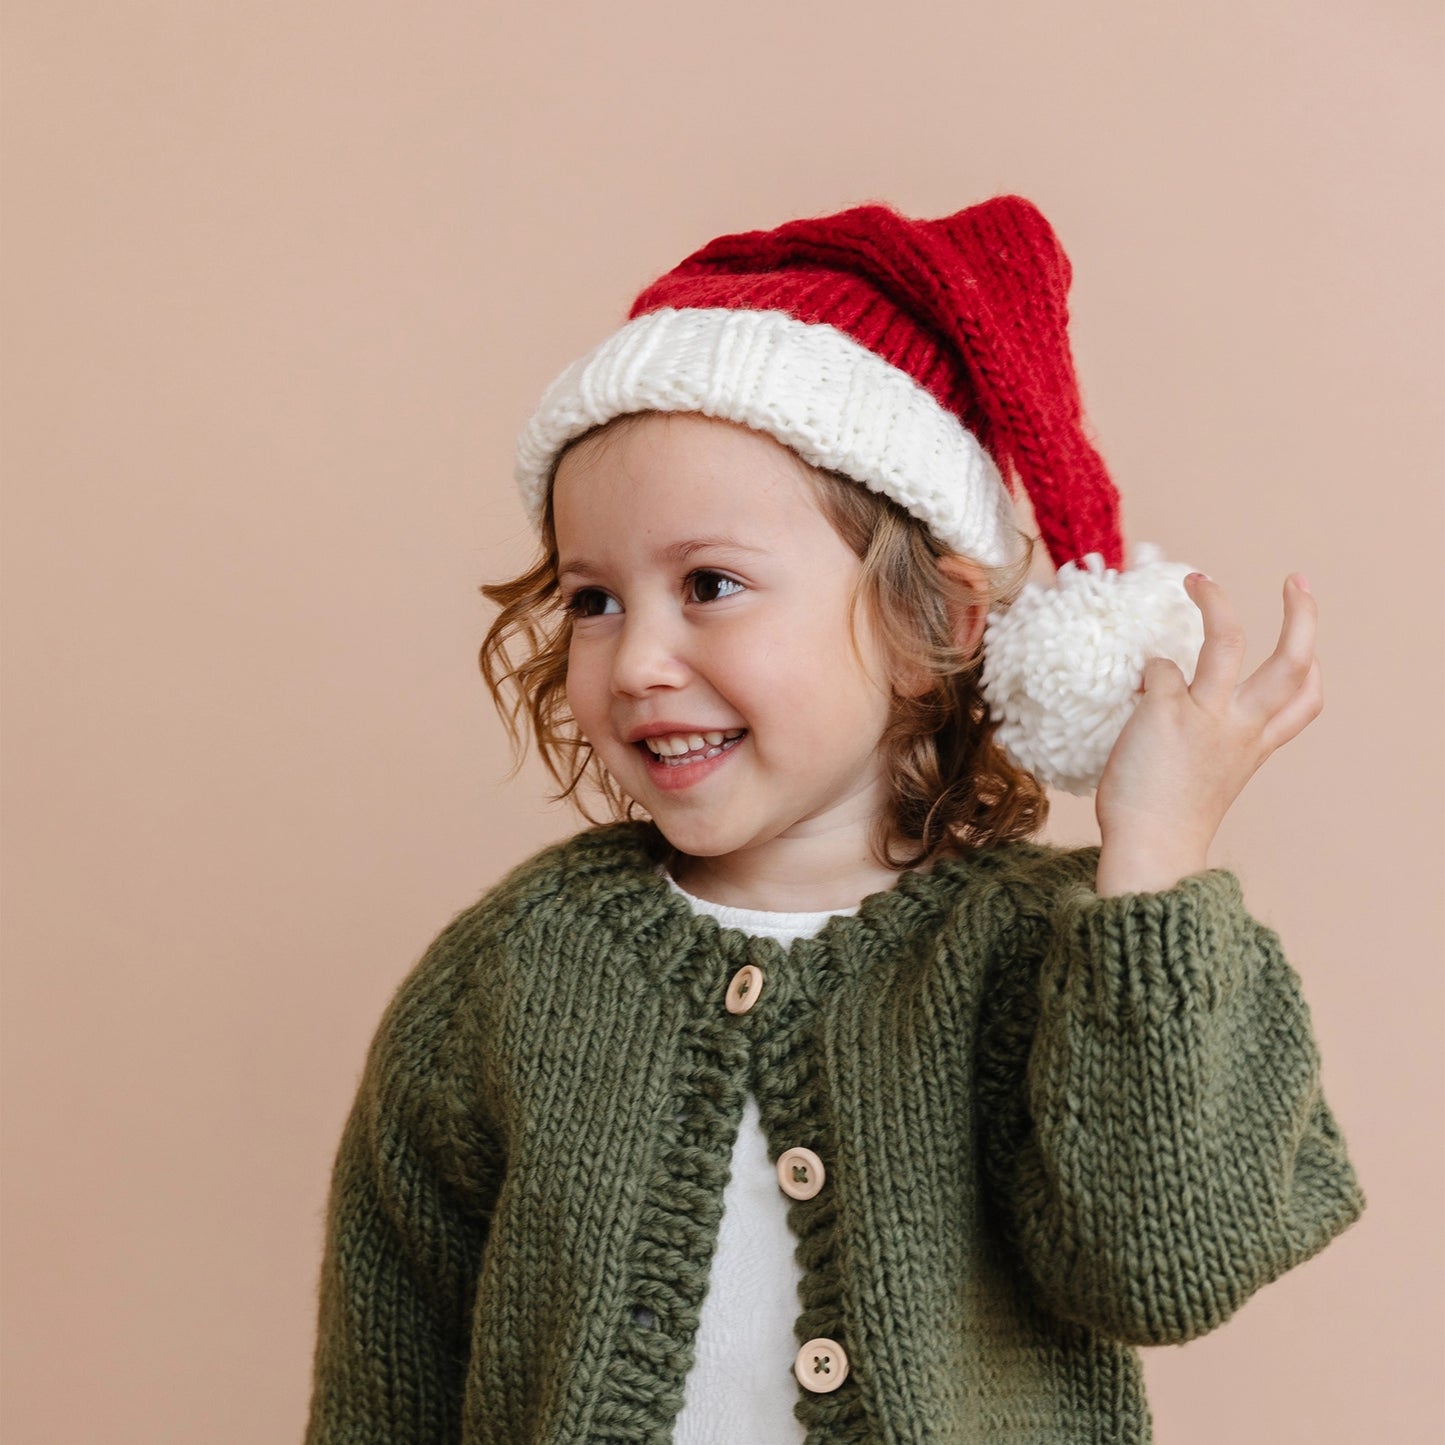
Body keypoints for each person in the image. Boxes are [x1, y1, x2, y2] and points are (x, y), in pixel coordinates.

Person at [303, 196, 1366, 1444]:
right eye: (592, 597)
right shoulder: (509, 973)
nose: (637, 656)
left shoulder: (1044, 955)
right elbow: (390, 1376)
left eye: (710, 584)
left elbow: (1163, 1263)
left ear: (938, 624)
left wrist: (1151, 866)